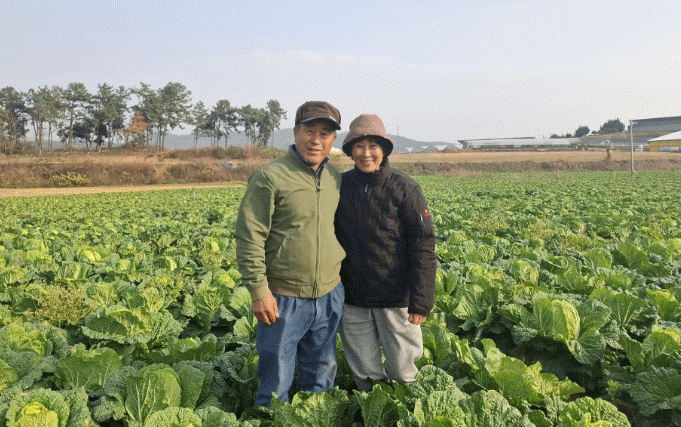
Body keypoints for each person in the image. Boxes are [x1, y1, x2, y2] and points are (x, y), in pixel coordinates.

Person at [234, 101, 346, 406]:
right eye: (310, 130)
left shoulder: (334, 177)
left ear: (333, 140)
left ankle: (312, 419)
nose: (316, 140)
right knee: (275, 381)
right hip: (283, 298)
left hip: (329, 294)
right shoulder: (270, 176)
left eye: (325, 133)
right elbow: (250, 236)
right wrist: (259, 290)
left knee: (321, 374)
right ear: (296, 131)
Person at [335, 114, 437, 391]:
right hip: (353, 297)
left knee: (404, 373)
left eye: (373, 146)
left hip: (395, 298)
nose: (366, 154)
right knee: (365, 374)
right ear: (350, 151)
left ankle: (407, 410)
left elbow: (423, 245)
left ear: (384, 150)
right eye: (359, 146)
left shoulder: (405, 188)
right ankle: (372, 409)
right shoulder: (341, 186)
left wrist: (421, 300)